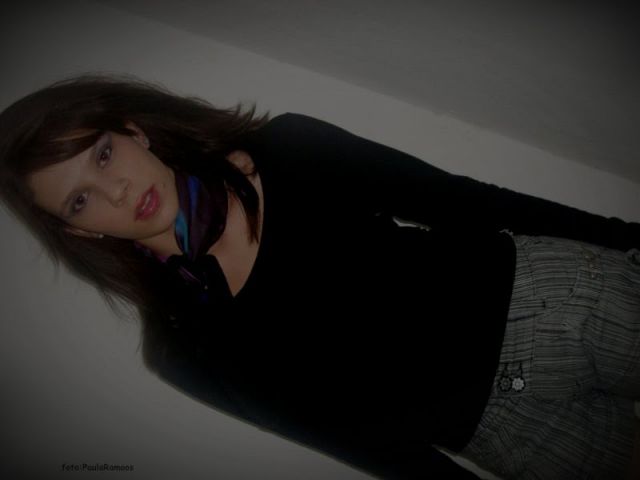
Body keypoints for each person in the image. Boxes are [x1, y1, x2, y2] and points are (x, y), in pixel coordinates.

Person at [0, 73, 638, 480]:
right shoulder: (179, 349)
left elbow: (465, 200)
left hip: (552, 302)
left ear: (134, 133)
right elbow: (361, 443)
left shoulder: (286, 148)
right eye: (80, 200)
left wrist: (628, 238)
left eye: (103, 154)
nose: (114, 190)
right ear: (81, 232)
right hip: (505, 433)